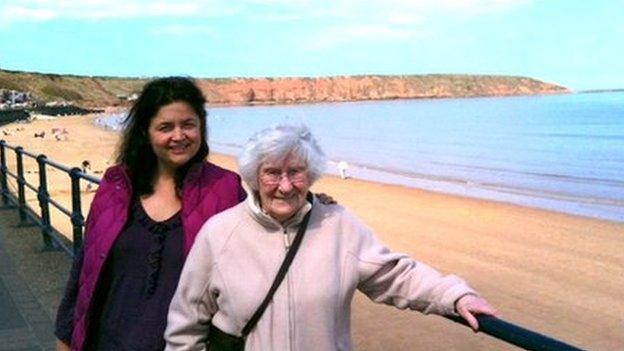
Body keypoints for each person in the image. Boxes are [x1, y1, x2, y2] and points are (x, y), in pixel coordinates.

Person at [165, 125, 497, 350]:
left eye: (295, 172)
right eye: (272, 173)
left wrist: (456, 296)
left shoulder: (338, 225)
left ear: (311, 175)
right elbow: (186, 324)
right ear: (254, 176)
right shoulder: (220, 232)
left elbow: (396, 275)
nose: (284, 185)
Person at [54, 77, 246, 351]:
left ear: (201, 126)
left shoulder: (225, 189)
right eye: (165, 127)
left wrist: (311, 209)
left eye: (188, 124)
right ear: (146, 131)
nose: (179, 136)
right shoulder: (116, 186)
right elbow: (84, 272)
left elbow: (260, 254)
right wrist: (65, 341)